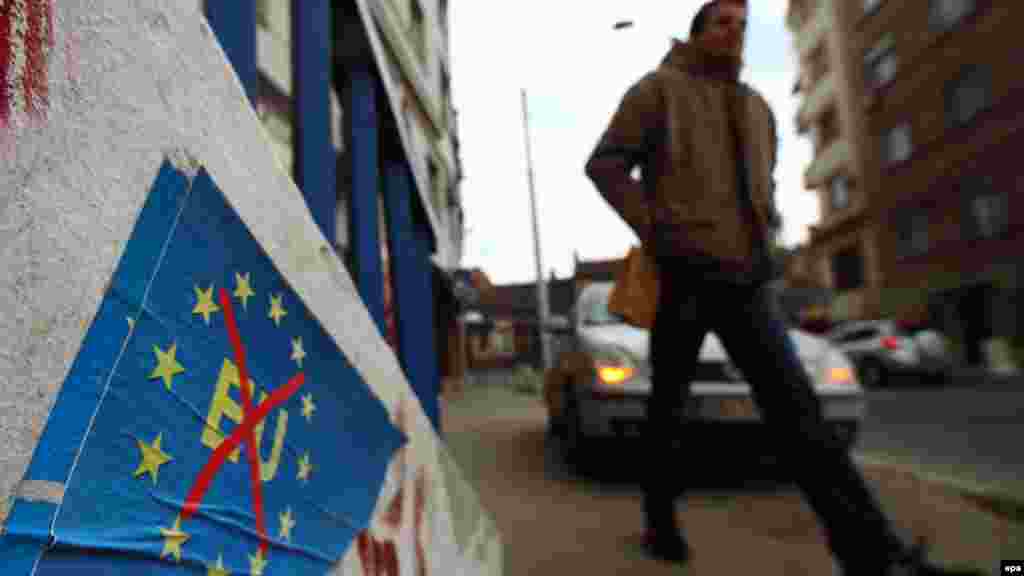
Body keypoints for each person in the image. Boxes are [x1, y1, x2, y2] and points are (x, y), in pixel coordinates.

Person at [584, 1, 983, 574]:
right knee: (667, 410)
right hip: (685, 276)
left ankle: (873, 554)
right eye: (722, 21)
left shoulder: (757, 108)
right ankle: (659, 522)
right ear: (697, 33)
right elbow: (605, 165)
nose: (735, 32)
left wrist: (768, 239)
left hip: (749, 281)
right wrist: (660, 231)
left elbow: (761, 191)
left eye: (744, 24)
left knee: (802, 417)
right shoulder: (657, 91)